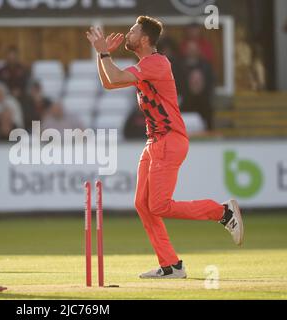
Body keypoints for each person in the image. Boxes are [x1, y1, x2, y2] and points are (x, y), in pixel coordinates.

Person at [86, 16, 244, 279]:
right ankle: (171, 265)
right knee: (142, 204)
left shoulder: (156, 63)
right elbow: (109, 82)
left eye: (133, 31)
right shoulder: (145, 65)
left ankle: (223, 212)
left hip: (169, 140)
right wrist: (102, 55)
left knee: (159, 205)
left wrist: (103, 53)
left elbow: (112, 75)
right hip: (155, 142)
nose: (128, 34)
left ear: (145, 38)